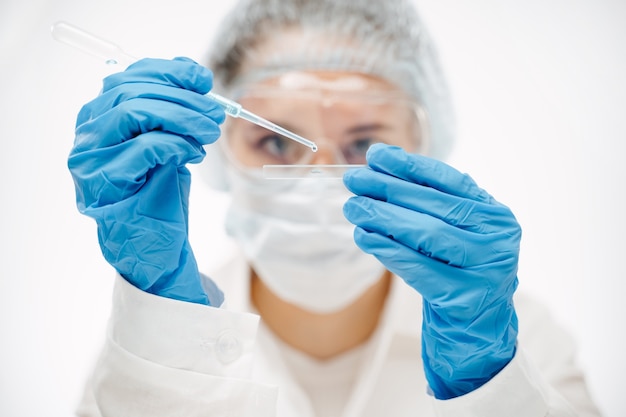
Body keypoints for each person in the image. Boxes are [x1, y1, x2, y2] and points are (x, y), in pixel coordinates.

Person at [69, 0, 602, 416]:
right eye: (278, 143)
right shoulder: (148, 346)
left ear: (425, 146)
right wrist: (169, 343)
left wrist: (487, 384)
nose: (320, 181)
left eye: (364, 143)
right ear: (218, 148)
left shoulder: (515, 336)